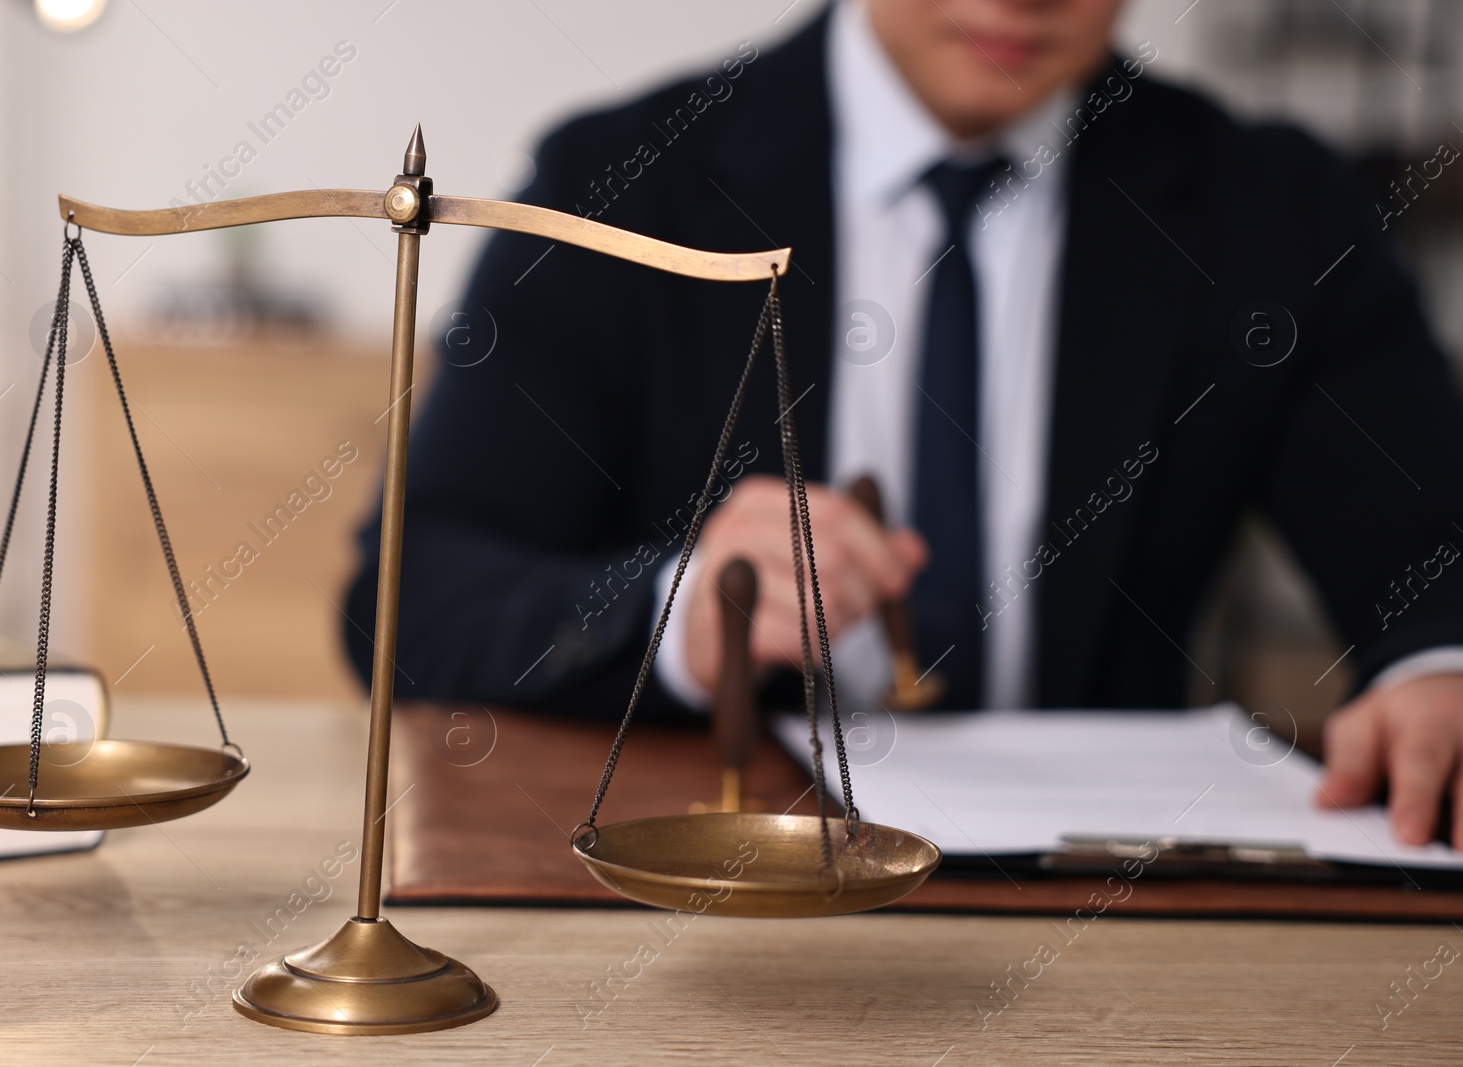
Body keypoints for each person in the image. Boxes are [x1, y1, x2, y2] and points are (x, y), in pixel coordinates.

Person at [345, 0, 1463, 849]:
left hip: (1107, 924)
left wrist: (1437, 665)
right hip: (706, 891)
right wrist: (683, 609)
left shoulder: (1271, 205)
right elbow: (411, 595)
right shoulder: (620, 181)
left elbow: (1430, 560)